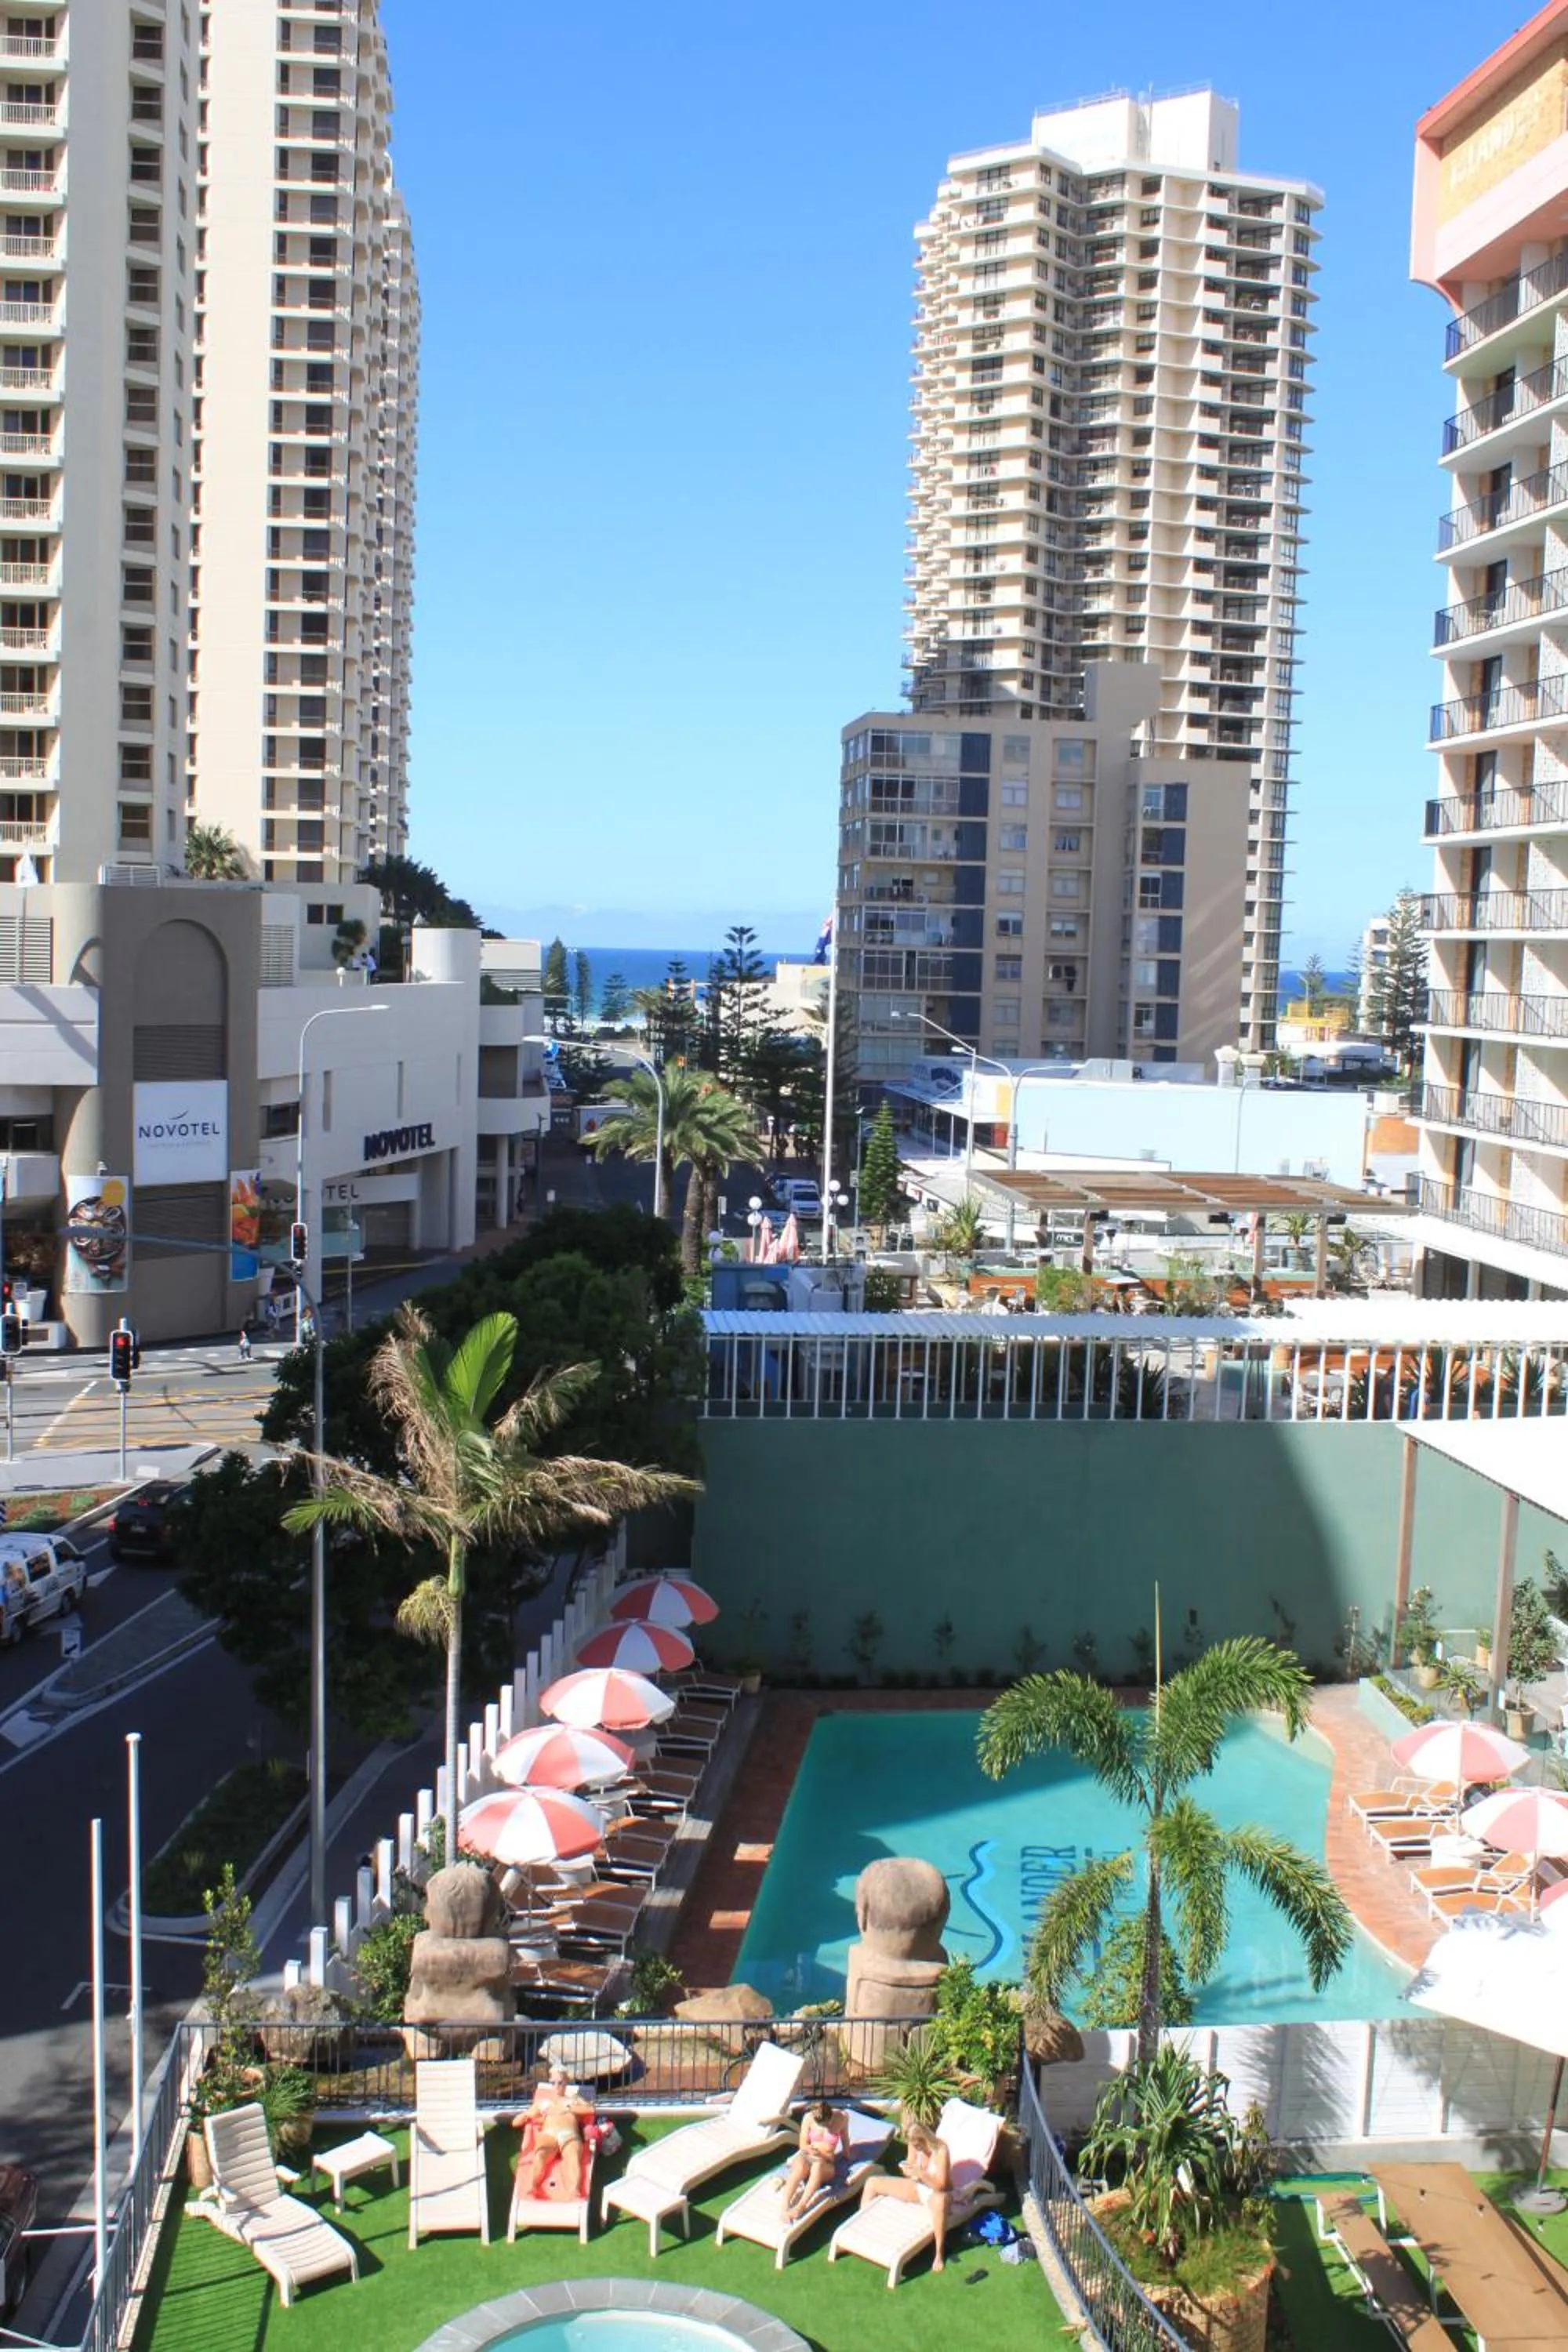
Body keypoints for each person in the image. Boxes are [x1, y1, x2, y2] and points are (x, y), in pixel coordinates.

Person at [858, 2116, 953, 2269]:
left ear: (925, 2139)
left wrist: (921, 2174)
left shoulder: (941, 2150)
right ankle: (863, 2229)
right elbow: (910, 2164)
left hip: (935, 2193)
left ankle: (938, 2253)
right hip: (917, 2188)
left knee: (940, 2201)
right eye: (913, 2146)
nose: (916, 2149)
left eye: (918, 2146)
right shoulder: (913, 2145)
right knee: (872, 2183)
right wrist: (907, 2170)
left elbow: (941, 2186)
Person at [513, 2064, 595, 2201]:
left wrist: (569, 2108)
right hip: (549, 2135)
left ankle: (574, 2191)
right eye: (553, 2083)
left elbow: (591, 2109)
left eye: (560, 2082)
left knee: (573, 2157)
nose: (557, 2086)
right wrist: (527, 2115)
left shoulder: (573, 2099)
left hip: (570, 2135)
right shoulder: (543, 2103)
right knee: (540, 2155)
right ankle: (532, 2188)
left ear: (566, 2082)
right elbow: (515, 2123)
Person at [778, 2097, 848, 2219]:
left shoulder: (842, 2117)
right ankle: (784, 2207)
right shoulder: (808, 2118)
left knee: (818, 2166)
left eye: (828, 2123)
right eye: (822, 2125)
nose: (826, 2127)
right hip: (809, 2156)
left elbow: (845, 2138)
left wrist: (847, 2154)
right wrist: (810, 2149)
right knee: (799, 2166)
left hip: (826, 2163)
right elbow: (803, 2144)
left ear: (831, 2114)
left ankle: (800, 2207)